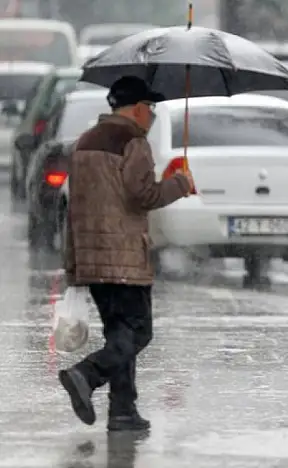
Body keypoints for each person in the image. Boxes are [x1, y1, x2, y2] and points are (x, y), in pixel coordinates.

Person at [58, 76, 194, 431]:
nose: (151, 117)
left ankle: (123, 410)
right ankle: (86, 374)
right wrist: (179, 184)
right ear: (137, 109)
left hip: (89, 255)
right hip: (124, 256)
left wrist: (73, 263)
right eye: (150, 109)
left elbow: (74, 204)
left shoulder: (84, 142)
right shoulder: (133, 142)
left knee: (119, 332)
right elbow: (143, 195)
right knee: (138, 332)